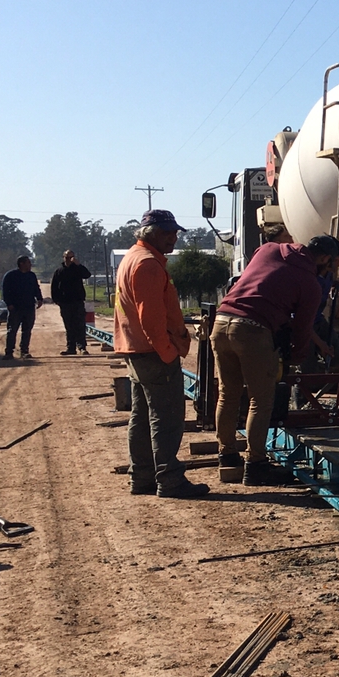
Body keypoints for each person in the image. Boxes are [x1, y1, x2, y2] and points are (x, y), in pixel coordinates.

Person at [213, 233, 339, 484]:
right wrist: (296, 356)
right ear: (325, 258)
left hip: (221, 322)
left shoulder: (269, 249)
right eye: (332, 264)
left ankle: (227, 455)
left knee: (227, 394)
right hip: (254, 329)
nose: (331, 270)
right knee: (260, 400)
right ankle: (256, 465)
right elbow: (302, 329)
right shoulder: (310, 283)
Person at [114, 210, 206, 498]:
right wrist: (168, 352)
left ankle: (141, 478)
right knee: (166, 418)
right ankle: (169, 479)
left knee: (141, 418)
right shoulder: (148, 265)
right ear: (150, 233)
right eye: (167, 232)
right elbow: (151, 318)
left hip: (136, 351)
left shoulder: (131, 258)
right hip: (153, 353)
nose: (173, 238)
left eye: (175, 232)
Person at [0, 256, 44, 359]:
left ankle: (24, 351)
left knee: (27, 330)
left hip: (29, 307)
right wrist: (9, 304)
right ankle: (9, 352)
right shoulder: (10, 276)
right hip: (15, 308)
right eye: (28, 263)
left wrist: (39, 298)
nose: (30, 265)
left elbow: (35, 288)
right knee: (12, 330)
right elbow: (5, 291)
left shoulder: (31, 276)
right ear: (21, 264)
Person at [50, 249, 92, 355]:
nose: (69, 260)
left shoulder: (77, 269)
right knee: (69, 326)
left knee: (80, 325)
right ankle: (71, 348)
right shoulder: (59, 271)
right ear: (63, 258)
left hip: (77, 302)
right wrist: (56, 300)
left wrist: (79, 265)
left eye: (71, 257)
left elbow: (87, 275)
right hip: (65, 303)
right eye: (67, 257)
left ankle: (82, 347)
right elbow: (54, 287)